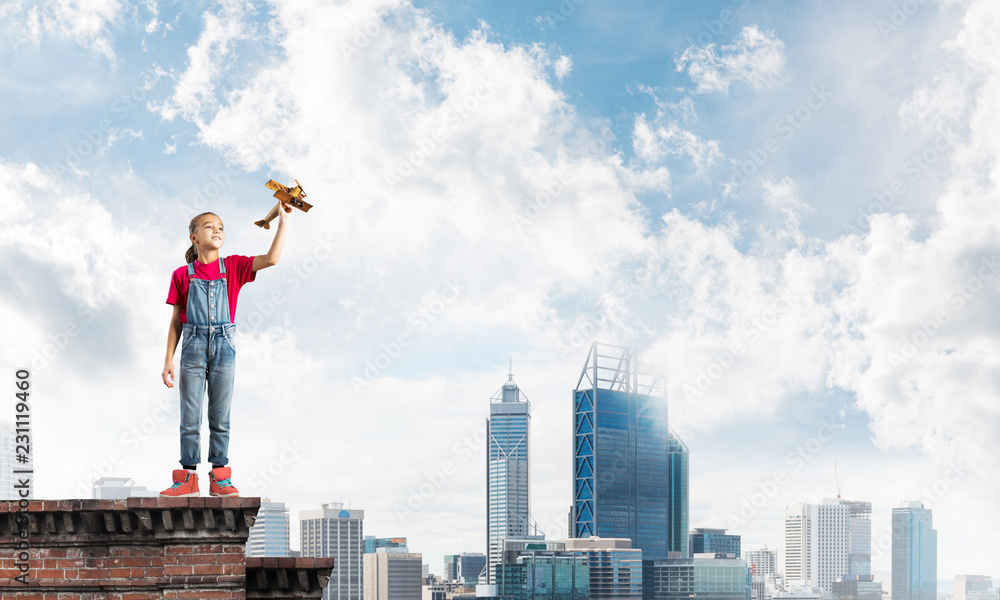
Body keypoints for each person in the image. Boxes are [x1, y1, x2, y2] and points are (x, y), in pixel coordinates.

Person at [159, 200, 292, 497]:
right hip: (192, 346)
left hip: (224, 345)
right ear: (194, 237)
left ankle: (220, 477)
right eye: (209, 226)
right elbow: (175, 321)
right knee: (189, 414)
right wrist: (168, 359)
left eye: (220, 227)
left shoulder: (233, 266)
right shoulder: (182, 274)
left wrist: (282, 222)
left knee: (220, 414)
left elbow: (271, 259)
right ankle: (187, 478)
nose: (216, 230)